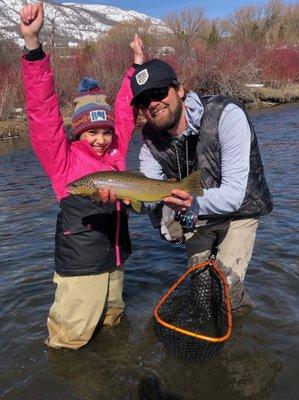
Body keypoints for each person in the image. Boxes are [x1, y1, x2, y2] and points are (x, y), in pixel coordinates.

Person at [19, 1, 144, 349]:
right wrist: (33, 47)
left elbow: (123, 110)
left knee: (113, 332)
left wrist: (135, 67)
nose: (102, 140)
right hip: (81, 269)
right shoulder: (62, 160)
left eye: (106, 132)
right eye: (92, 133)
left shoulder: (116, 153)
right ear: (77, 133)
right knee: (69, 344)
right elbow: (42, 113)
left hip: (116, 262)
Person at [129, 56, 273, 315]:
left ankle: (238, 336)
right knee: (201, 287)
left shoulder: (227, 115)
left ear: (180, 90)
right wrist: (128, 200)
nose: (152, 104)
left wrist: (191, 201)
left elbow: (233, 195)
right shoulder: (149, 141)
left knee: (226, 290)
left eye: (159, 93)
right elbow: (150, 194)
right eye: (143, 100)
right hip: (196, 212)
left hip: (241, 210)